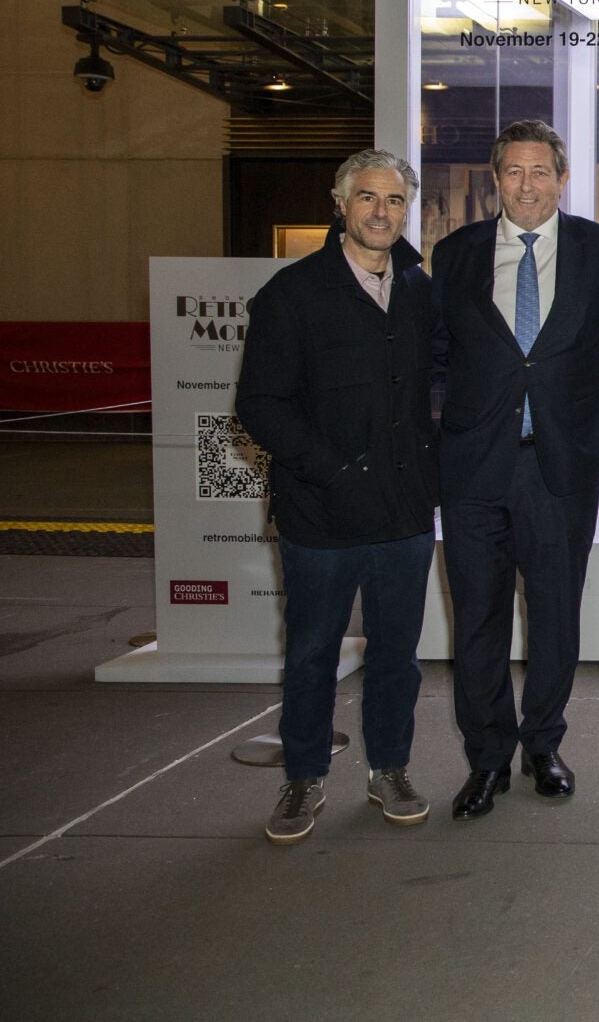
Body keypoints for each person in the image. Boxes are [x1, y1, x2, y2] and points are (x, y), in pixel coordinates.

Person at [237, 149, 439, 844]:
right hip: (320, 514)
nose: (381, 212)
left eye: (394, 200)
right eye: (367, 198)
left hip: (404, 514)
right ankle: (303, 776)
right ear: (340, 204)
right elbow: (260, 405)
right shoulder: (292, 293)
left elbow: (439, 384)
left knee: (396, 656)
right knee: (312, 652)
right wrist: (333, 470)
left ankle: (390, 768)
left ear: (407, 210)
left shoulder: (419, 289)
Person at [432, 119, 599, 820]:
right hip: (473, 468)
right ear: (496, 178)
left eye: (540, 171)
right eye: (513, 171)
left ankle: (543, 744)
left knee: (554, 616)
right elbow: (436, 354)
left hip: (559, 467)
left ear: (563, 178)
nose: (526, 185)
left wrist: (576, 381)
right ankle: (487, 758)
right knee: (477, 620)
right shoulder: (455, 254)